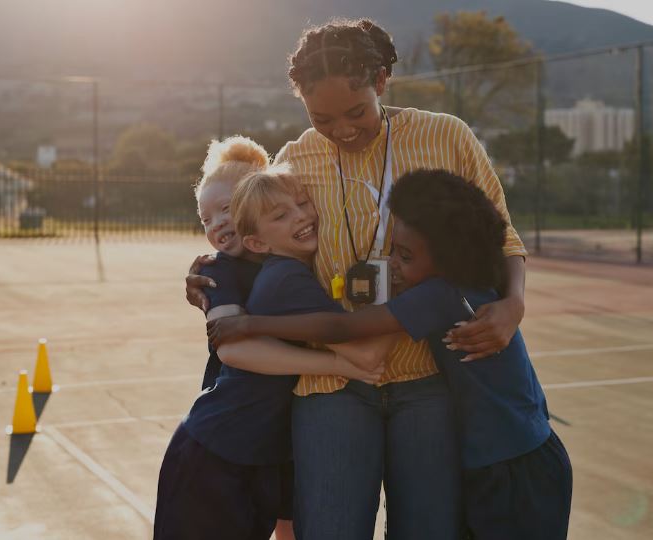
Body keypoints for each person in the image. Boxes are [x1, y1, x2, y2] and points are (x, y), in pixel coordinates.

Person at [186, 19, 528, 540]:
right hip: (330, 385)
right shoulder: (295, 159)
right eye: (322, 118)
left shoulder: (445, 136)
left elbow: (501, 237)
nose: (343, 129)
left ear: (382, 81)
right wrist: (212, 271)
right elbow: (260, 240)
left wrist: (514, 304)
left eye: (356, 112)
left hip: (427, 377)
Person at [209, 169, 573, 539]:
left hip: (515, 466)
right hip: (506, 453)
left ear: (446, 257)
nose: (394, 264)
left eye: (404, 255)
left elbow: (342, 329)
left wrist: (253, 324)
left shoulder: (439, 295)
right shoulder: (474, 278)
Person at [154, 136, 385, 540]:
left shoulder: (289, 259)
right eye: (206, 218)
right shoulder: (220, 272)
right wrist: (339, 362)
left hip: (270, 441)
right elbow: (236, 349)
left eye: (228, 209)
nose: (220, 223)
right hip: (225, 441)